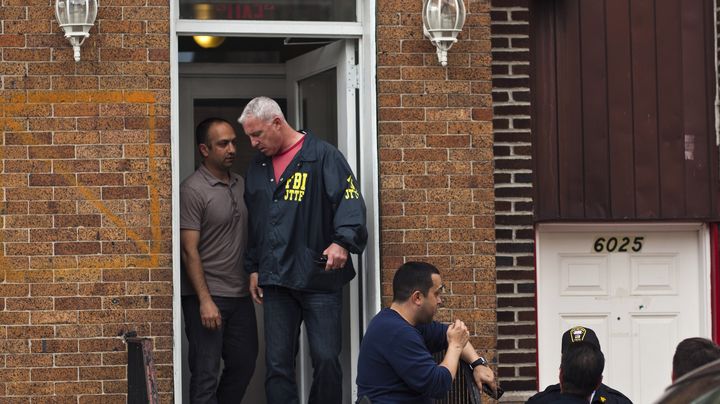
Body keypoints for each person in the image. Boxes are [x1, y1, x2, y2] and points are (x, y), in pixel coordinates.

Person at [238, 96, 368, 404]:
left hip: (317, 277)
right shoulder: (257, 166)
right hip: (275, 279)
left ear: (278, 123)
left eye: (257, 134)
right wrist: (254, 266)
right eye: (249, 136)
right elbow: (256, 220)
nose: (254, 142)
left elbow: (350, 202)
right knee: (277, 365)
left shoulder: (322, 156)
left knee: (325, 358)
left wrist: (342, 242)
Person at [180, 118, 258, 403]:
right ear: (204, 149)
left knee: (244, 365)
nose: (231, 149)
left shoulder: (241, 184)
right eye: (223, 143)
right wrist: (204, 299)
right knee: (205, 375)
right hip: (207, 296)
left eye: (234, 142)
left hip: (239, 296)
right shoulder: (193, 190)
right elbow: (189, 250)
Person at [356, 261, 497, 404]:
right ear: (417, 298)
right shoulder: (396, 332)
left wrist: (477, 363)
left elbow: (455, 335)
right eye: (436, 294)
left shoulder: (406, 323)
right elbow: (438, 385)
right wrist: (455, 346)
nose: (440, 300)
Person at [526, 326, 632, 404]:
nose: (581, 360)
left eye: (587, 354)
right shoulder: (541, 401)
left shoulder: (617, 401)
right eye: (574, 355)